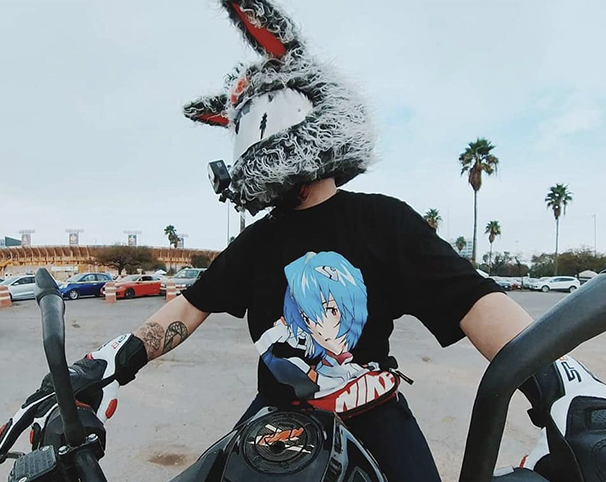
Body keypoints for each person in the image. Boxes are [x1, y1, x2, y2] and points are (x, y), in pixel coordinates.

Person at [1, 1, 605, 481]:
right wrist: (105, 365)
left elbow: (477, 303)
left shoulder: (383, 220)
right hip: (272, 422)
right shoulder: (258, 241)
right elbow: (186, 309)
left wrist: (563, 387)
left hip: (374, 411)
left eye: (260, 121)